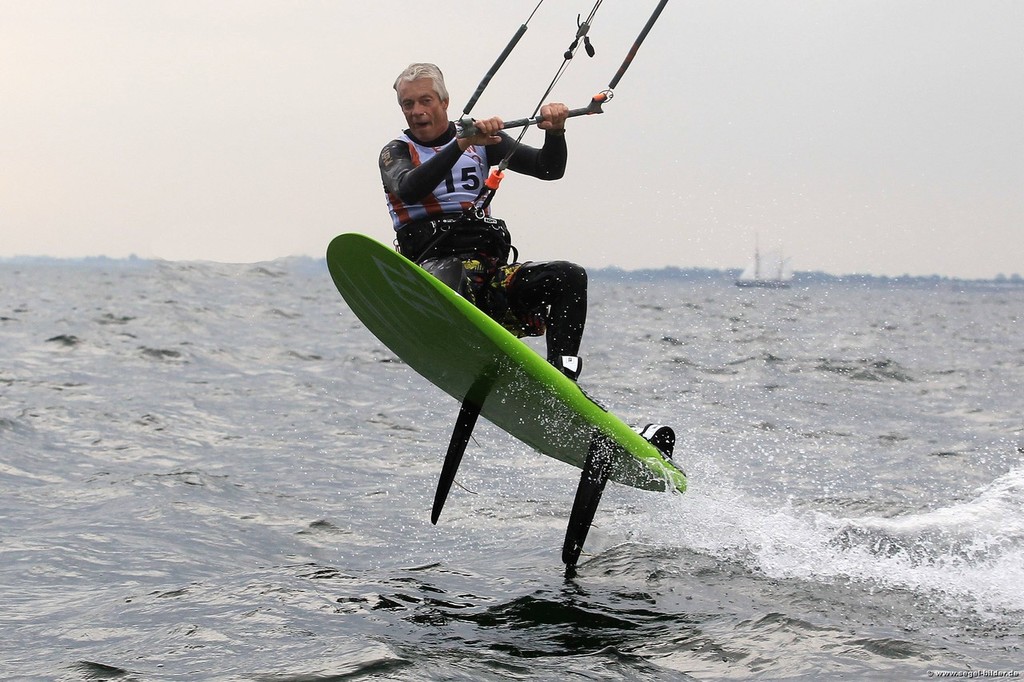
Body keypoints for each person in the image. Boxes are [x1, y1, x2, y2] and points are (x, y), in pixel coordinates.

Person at [379, 63, 588, 381]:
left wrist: (555, 132)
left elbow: (548, 168)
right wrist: (460, 144)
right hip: (432, 270)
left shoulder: (482, 142)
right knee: (453, 276)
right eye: (408, 104)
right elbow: (410, 188)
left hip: (486, 277)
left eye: (425, 101)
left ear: (444, 102)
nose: (417, 111)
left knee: (568, 277)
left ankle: (563, 374)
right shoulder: (396, 152)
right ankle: (470, 355)